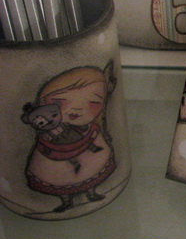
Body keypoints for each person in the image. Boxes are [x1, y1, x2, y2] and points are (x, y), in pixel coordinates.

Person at [23, 63, 118, 212]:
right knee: (61, 183)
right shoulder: (47, 134)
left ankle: (91, 193)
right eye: (59, 102)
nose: (76, 109)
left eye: (93, 102)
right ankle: (67, 201)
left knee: (91, 175)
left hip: (88, 161)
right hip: (56, 161)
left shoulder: (90, 130)